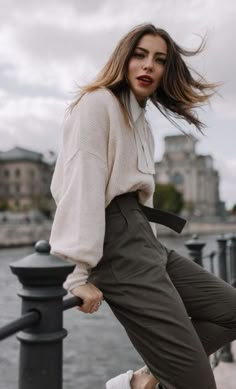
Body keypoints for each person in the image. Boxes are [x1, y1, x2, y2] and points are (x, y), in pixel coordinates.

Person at [49, 23, 236, 389]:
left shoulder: (141, 123)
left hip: (145, 242)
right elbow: (81, 182)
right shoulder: (97, 103)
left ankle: (143, 379)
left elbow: (140, 198)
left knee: (231, 312)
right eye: (140, 55)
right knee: (200, 383)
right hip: (119, 249)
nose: (148, 65)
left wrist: (152, 245)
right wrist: (76, 274)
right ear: (124, 59)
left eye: (159, 60)